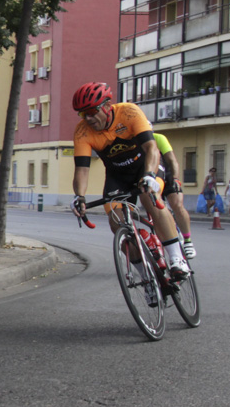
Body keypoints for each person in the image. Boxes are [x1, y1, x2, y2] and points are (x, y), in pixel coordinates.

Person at [69, 82, 190, 291]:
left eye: (91, 112)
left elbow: (152, 147)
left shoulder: (129, 112)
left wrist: (150, 175)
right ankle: (146, 279)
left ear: (107, 106)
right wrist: (79, 197)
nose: (87, 118)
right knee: (116, 221)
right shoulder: (82, 132)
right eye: (82, 114)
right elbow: (82, 169)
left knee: (149, 198)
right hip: (118, 176)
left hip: (144, 166)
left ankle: (177, 258)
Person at [153, 133, 196, 259]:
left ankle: (187, 241)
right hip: (151, 178)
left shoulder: (158, 138)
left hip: (167, 174)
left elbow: (172, 160)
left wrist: (176, 179)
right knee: (155, 210)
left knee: (177, 205)